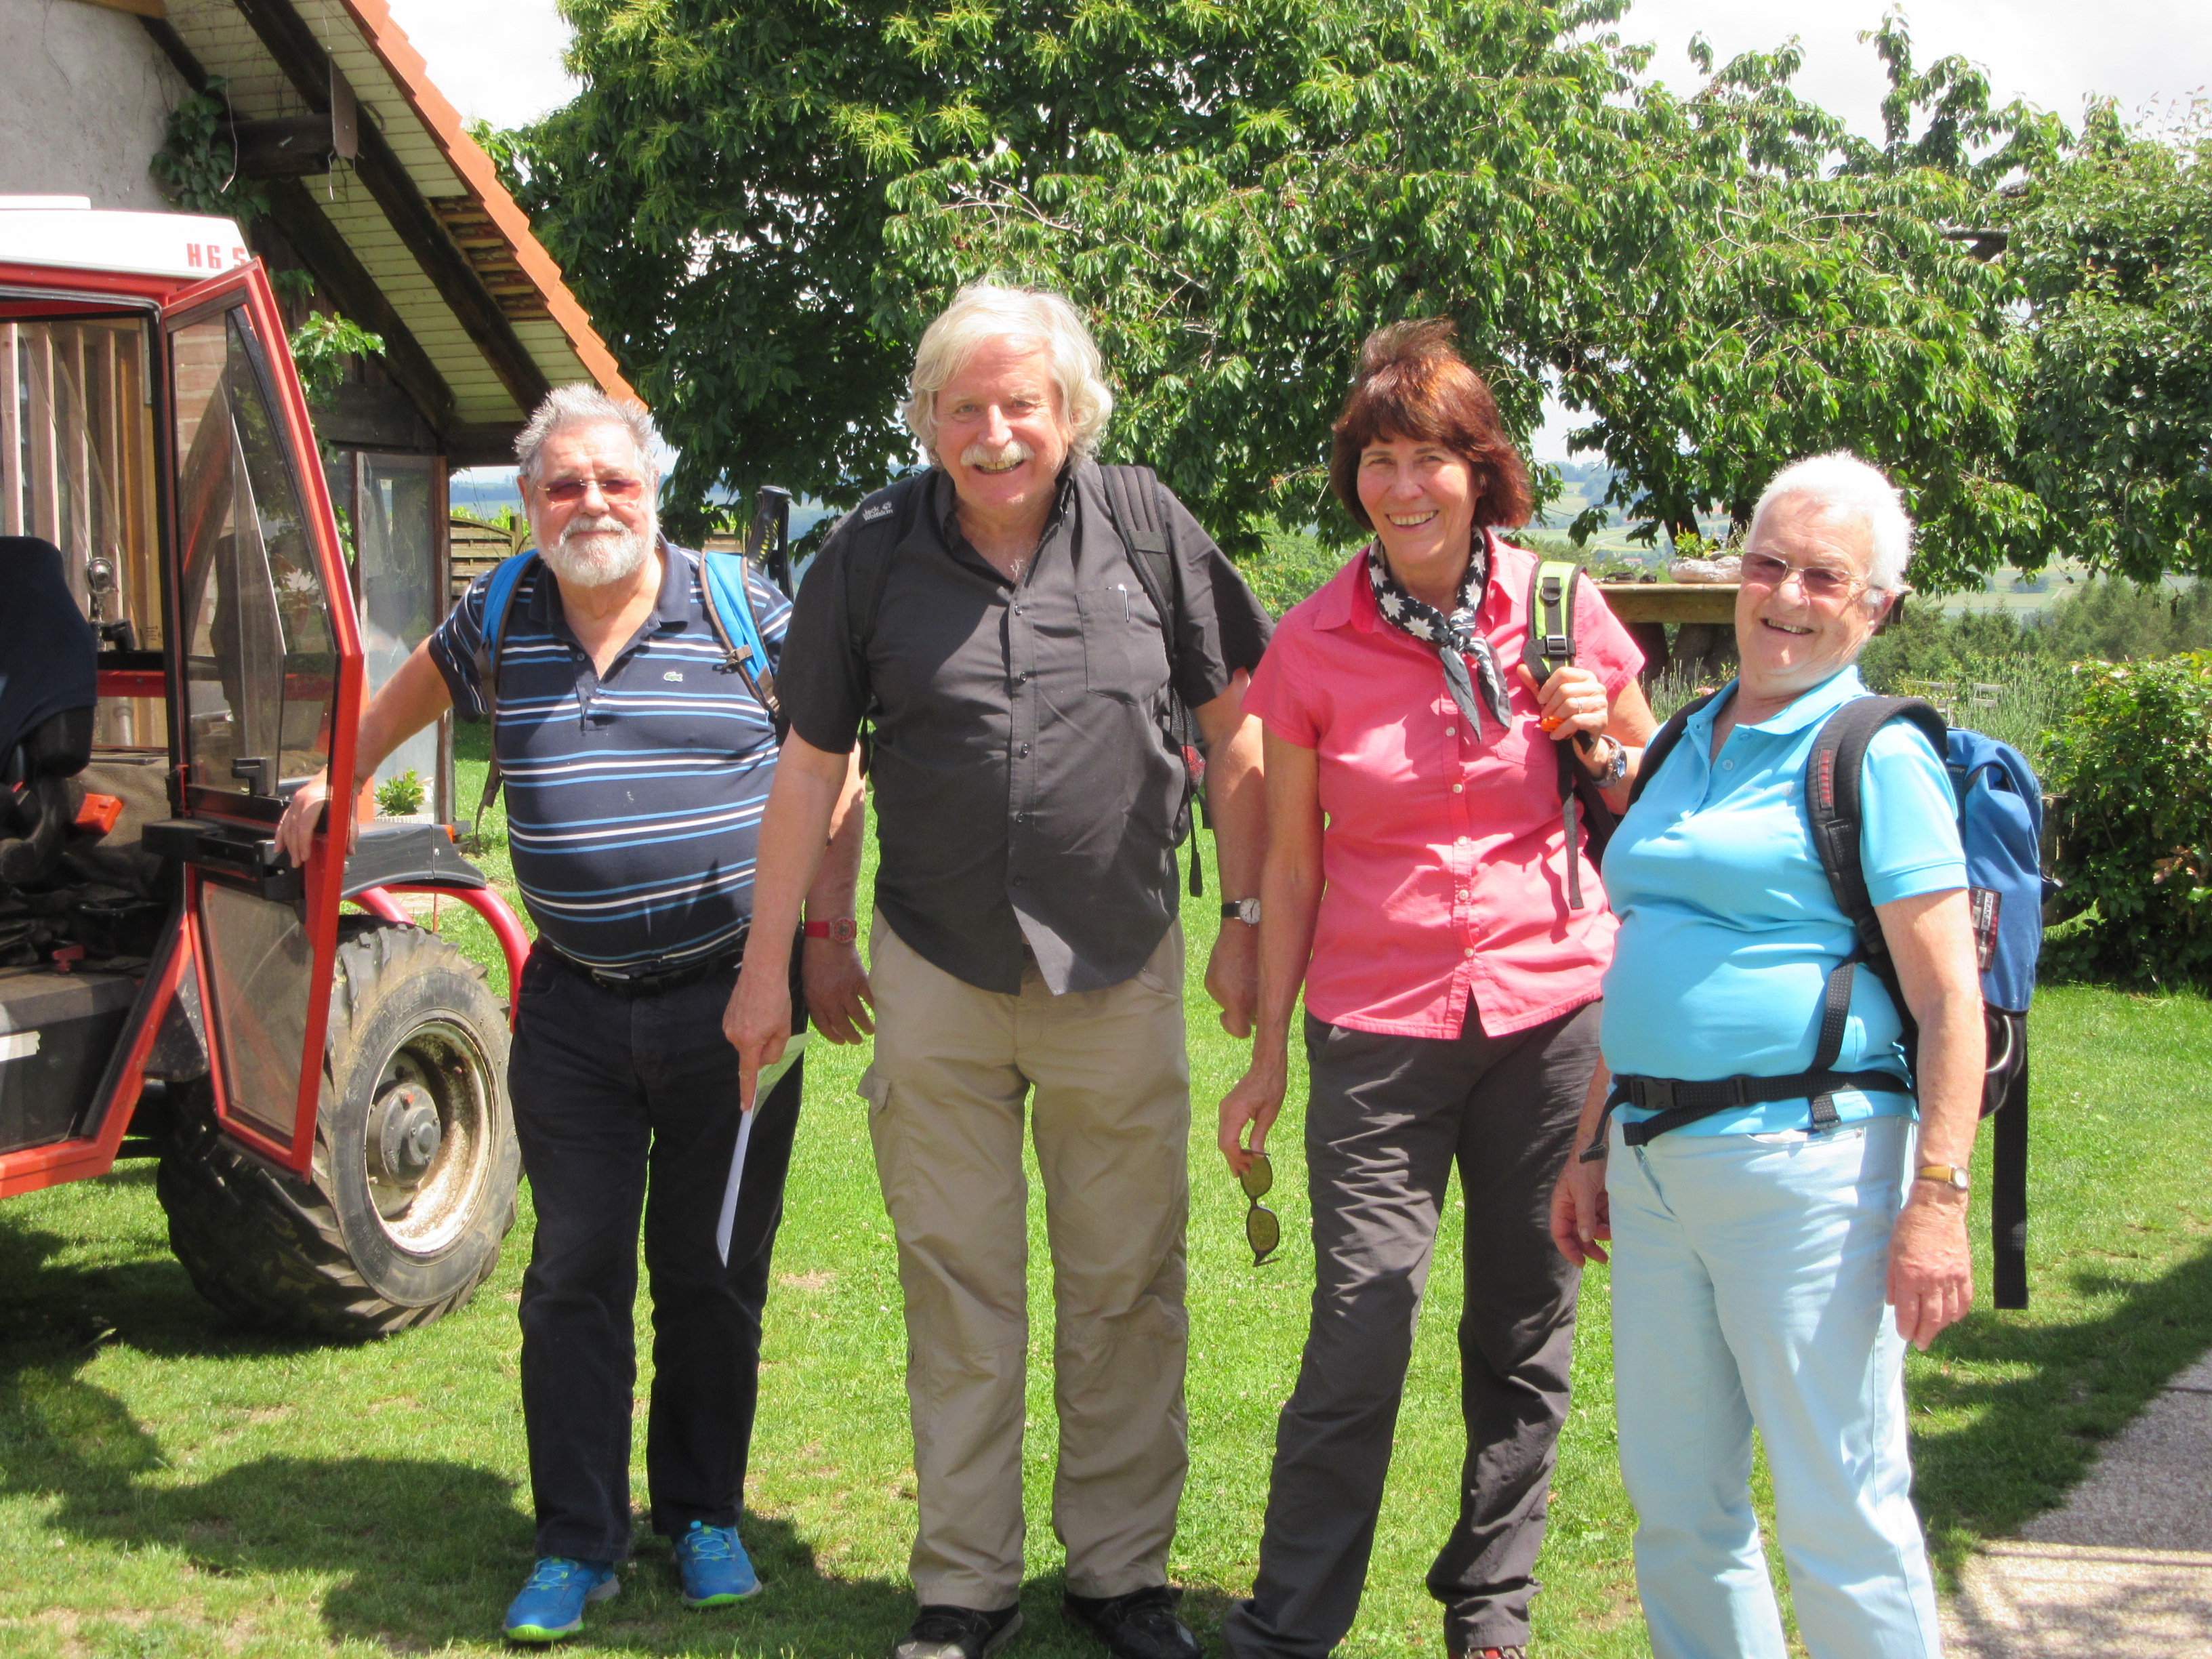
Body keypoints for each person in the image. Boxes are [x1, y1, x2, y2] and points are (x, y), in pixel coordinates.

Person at [726, 283, 1271, 1659]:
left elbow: (1242, 730)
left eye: (1021, 404)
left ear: (1070, 411)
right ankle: (965, 1587)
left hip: (1120, 963)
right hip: (939, 970)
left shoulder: (1148, 526)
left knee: (1127, 1284)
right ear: (925, 419)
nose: (994, 433)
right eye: (963, 407)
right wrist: (774, 961)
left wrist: (1249, 915)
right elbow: (810, 770)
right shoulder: (866, 552)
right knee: (956, 1286)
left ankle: (1120, 1576)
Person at [276, 386, 870, 1644]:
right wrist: (339, 775)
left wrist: (820, 942)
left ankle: (702, 1516)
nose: (591, 502)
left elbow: (839, 772)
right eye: (564, 484)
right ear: (531, 504)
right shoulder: (502, 610)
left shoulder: (742, 607)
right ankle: (577, 1539)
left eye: (614, 481)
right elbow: (401, 701)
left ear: (655, 491)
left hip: (734, 1004)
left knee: (714, 1272)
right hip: (573, 1015)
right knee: (571, 1277)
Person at [1216, 319, 1655, 1659]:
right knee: (1361, 1324)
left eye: (1431, 460)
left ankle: (1492, 1612)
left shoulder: (1565, 611)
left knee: (1526, 1326)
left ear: (1481, 471)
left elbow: (1658, 821)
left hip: (1553, 1013)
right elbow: (1293, 865)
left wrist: (1603, 739)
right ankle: (1292, 1625)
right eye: (1379, 462)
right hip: (1377, 1025)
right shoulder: (1314, 641)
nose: (1404, 489)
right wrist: (1269, 1053)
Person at [1550, 451, 1984, 1659]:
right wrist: (1592, 1143)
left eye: (1824, 576)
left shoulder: (1873, 753)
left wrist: (1939, 1201)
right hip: (1654, 1161)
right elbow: (1647, 948)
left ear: (1875, 608)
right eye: (1768, 564)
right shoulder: (1686, 736)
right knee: (1679, 1507)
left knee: (1840, 1503)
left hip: (1810, 1167)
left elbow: (1952, 999)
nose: (1787, 595)